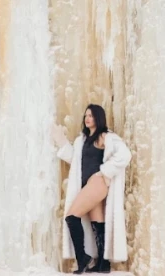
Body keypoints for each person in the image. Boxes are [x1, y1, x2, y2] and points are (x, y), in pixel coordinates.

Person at [51, 104, 131, 273]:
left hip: (98, 183)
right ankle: (103, 263)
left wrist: (103, 172)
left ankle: (83, 258)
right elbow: (76, 161)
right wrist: (62, 142)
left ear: (99, 118)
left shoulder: (105, 137)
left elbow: (125, 155)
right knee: (98, 224)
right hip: (89, 185)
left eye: (92, 116)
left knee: (71, 217)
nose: (88, 118)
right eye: (86, 115)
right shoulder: (83, 140)